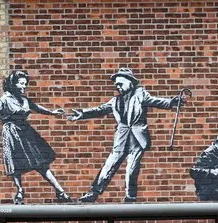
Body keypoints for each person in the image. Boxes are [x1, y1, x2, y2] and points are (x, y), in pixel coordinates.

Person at [67, 68, 187, 203]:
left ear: (130, 82)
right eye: (116, 85)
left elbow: (156, 101)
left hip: (137, 137)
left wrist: (172, 102)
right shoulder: (115, 101)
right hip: (122, 137)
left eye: (120, 83)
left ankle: (130, 196)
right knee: (109, 165)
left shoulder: (140, 94)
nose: (118, 87)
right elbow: (99, 110)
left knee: (132, 168)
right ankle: (93, 193)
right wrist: (82, 113)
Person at [0, 70, 71, 204]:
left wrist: (52, 112)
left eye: (25, 84)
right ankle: (20, 191)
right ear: (13, 84)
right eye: (21, 84)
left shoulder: (24, 99)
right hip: (12, 133)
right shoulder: (4, 100)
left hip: (26, 132)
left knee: (41, 164)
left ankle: (60, 191)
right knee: (15, 164)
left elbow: (36, 107)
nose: (24, 87)